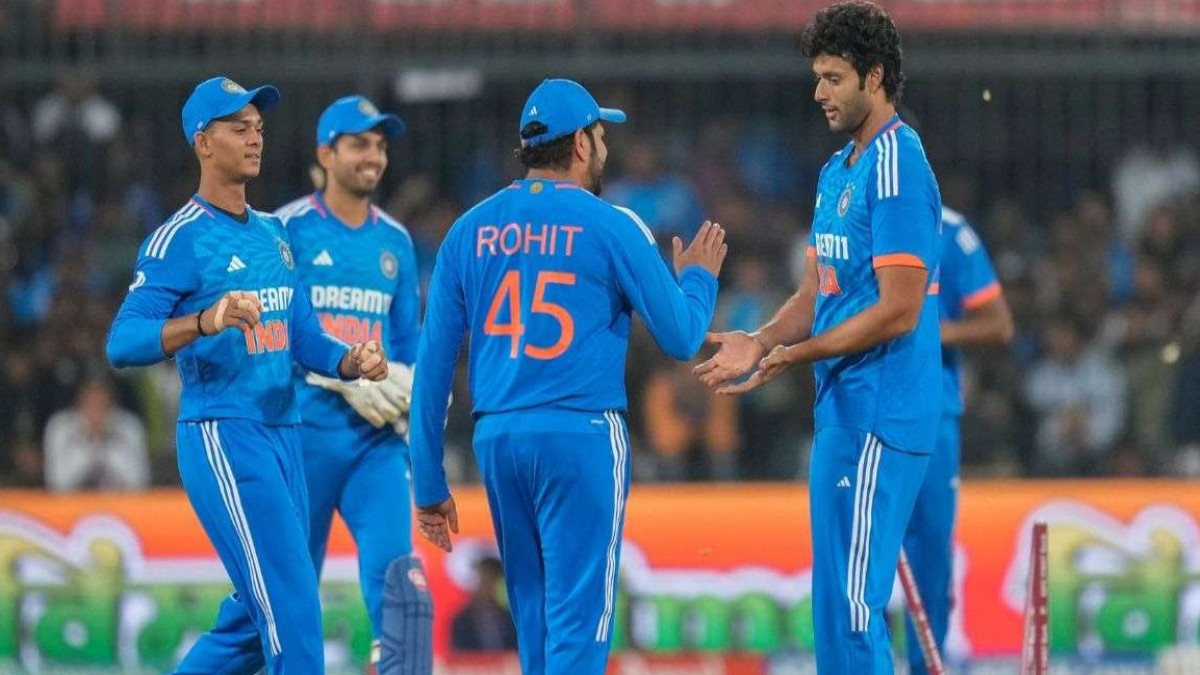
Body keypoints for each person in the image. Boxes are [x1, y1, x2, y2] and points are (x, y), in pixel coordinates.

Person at [407, 78, 727, 675]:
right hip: (580, 433)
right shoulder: (612, 224)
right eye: (600, 136)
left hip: (499, 439)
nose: (604, 147)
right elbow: (683, 337)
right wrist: (698, 279)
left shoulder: (467, 231)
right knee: (579, 627)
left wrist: (427, 479)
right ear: (581, 144)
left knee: (534, 623)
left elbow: (432, 367)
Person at [105, 76, 388, 674]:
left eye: (258, 128)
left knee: (251, 624)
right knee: (293, 607)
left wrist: (351, 361)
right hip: (225, 433)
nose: (256, 138)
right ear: (203, 142)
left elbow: (304, 336)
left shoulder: (273, 233)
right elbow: (122, 342)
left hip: (285, 434)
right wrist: (203, 321)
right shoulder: (178, 239)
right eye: (239, 129)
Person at [695, 3, 942, 672]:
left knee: (854, 607)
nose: (818, 93)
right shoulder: (838, 170)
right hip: (843, 411)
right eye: (817, 77)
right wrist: (760, 338)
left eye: (833, 78)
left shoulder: (897, 165)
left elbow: (900, 310)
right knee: (836, 605)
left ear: (875, 76)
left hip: (882, 412)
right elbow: (814, 295)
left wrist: (796, 354)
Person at [278, 95, 431, 674]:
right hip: (303, 433)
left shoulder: (395, 241)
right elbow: (267, 335)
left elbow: (408, 344)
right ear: (326, 153)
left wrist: (413, 393)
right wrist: (338, 376)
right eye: (360, 144)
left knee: (400, 590)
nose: (374, 156)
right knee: (289, 592)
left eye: (381, 146)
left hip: (376, 442)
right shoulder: (287, 229)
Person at [902, 206, 1013, 673]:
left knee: (930, 552)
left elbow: (999, 324)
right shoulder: (846, 215)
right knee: (856, 551)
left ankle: (926, 666)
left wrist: (930, 332)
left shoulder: (947, 229)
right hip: (858, 410)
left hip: (931, 411)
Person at [43, 377, 150, 492]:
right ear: (79, 399)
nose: (96, 402)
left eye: (102, 396)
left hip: (120, 500)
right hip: (73, 501)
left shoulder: (129, 425)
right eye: (91, 396)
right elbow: (57, 482)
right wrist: (85, 442)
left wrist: (109, 441)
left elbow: (139, 480)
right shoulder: (60, 426)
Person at [451, 555, 518, 652]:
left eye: (492, 579)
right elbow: (460, 653)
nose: (487, 586)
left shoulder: (509, 618)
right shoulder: (462, 620)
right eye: (484, 579)